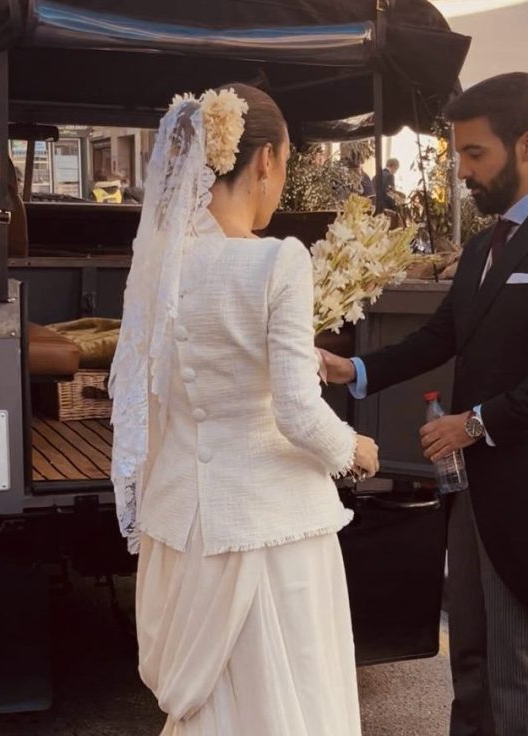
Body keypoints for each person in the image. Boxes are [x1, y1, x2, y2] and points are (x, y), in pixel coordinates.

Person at [109, 83, 379, 735]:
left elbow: (149, 394)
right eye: (284, 163)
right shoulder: (278, 261)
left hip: (182, 522)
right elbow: (296, 411)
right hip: (269, 526)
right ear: (265, 160)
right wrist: (354, 450)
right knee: (287, 701)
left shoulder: (160, 269)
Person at [320, 72, 528, 736]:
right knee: (468, 654)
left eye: (475, 153)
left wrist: (476, 423)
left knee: (514, 663)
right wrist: (353, 369)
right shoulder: (486, 245)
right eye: (459, 153)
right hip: (471, 491)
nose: (462, 171)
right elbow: (441, 336)